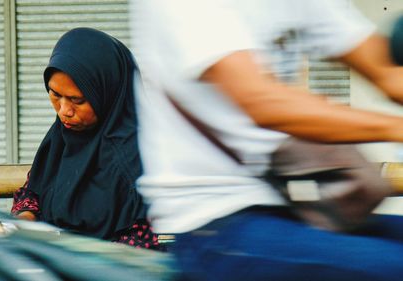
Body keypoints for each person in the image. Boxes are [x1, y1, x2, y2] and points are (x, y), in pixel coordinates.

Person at [130, 0, 403, 279]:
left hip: (305, 204)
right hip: (215, 223)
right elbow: (264, 102)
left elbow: (387, 72)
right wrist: (396, 127)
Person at [11, 28, 161, 250]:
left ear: (107, 93)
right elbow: (32, 190)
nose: (64, 111)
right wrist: (26, 218)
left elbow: (141, 244)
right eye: (55, 95)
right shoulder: (60, 139)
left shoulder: (139, 159)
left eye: (77, 100)